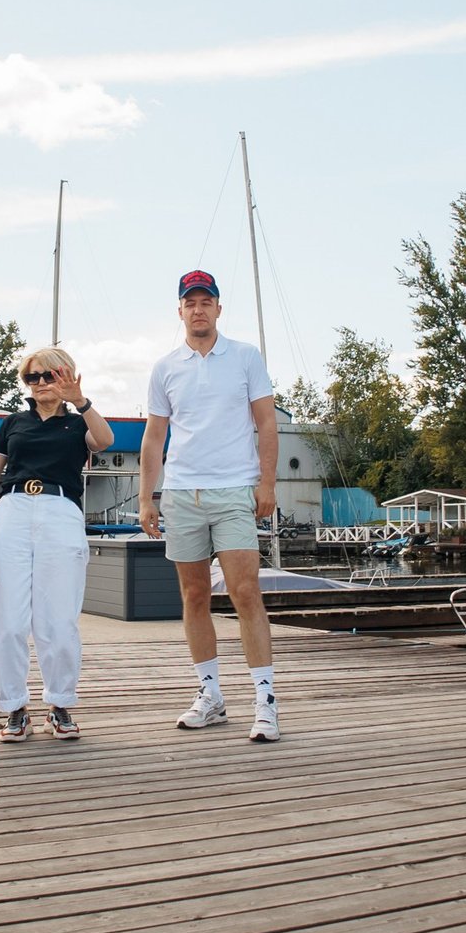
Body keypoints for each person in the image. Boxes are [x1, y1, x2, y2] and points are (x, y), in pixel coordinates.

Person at [140, 271, 282, 741]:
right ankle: (211, 696)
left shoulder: (245, 356)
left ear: (219, 308)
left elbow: (266, 424)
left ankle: (266, 701)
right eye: (190, 302)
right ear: (179, 310)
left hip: (234, 491)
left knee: (244, 592)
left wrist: (267, 484)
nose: (198, 309)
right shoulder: (165, 367)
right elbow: (155, 436)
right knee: (194, 596)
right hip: (182, 495)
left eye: (207, 301)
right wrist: (147, 497)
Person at [0, 346, 111, 740]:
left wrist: (81, 401)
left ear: (67, 376)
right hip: (11, 511)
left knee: (57, 618)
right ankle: (14, 708)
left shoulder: (79, 423)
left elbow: (105, 439)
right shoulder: (12, 423)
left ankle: (60, 703)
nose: (41, 383)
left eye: (49, 375)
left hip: (60, 510)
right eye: (33, 377)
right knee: (7, 619)